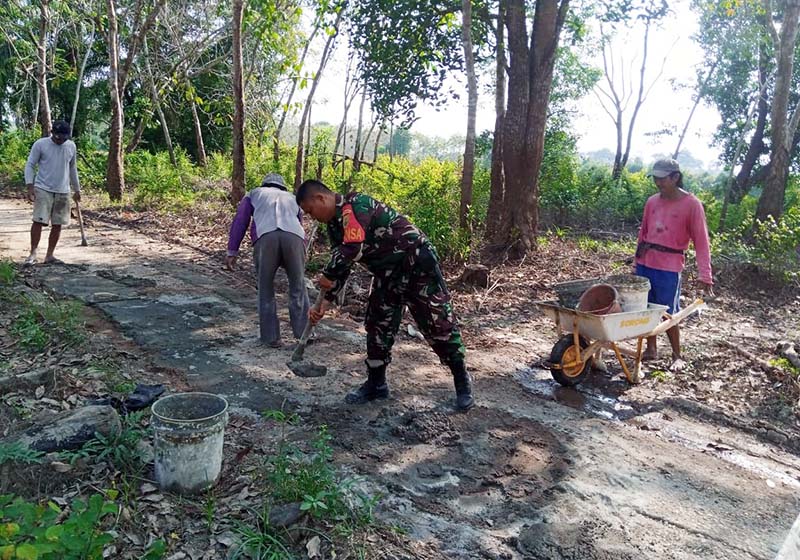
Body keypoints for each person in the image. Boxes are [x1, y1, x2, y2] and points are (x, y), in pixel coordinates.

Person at [295, 179, 474, 411]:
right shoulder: (334, 225)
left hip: (417, 263)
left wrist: (328, 274)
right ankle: (376, 384)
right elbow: (344, 263)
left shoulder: (356, 205)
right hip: (387, 274)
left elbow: (353, 247)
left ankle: (462, 382)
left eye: (310, 211)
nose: (312, 217)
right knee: (378, 323)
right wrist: (325, 302)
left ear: (321, 198)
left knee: (437, 323)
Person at [635, 158, 714, 371]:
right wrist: (637, 261)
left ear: (675, 177)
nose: (658, 183)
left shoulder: (691, 204)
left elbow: (701, 241)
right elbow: (643, 232)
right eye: (655, 179)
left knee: (668, 311)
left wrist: (705, 274)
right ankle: (651, 349)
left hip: (669, 265)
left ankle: (677, 355)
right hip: (646, 261)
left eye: (662, 179)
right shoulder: (652, 202)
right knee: (645, 306)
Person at [226, 173, 309, 347]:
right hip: (294, 238)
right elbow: (299, 223)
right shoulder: (293, 198)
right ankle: (304, 334)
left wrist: (232, 250)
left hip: (266, 237)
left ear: (265, 184)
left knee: (265, 288)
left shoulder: (254, 193)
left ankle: (271, 338)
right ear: (282, 186)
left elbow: (240, 220)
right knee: (298, 286)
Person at [23, 120, 81, 266]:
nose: (60, 140)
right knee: (38, 221)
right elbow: (30, 164)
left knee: (58, 223)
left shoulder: (71, 146)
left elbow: (72, 168)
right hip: (43, 188)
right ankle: (33, 253)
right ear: (52, 133)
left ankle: (50, 255)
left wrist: (77, 189)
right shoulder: (41, 144)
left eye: (63, 137)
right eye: (58, 137)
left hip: (63, 190)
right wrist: (30, 186)